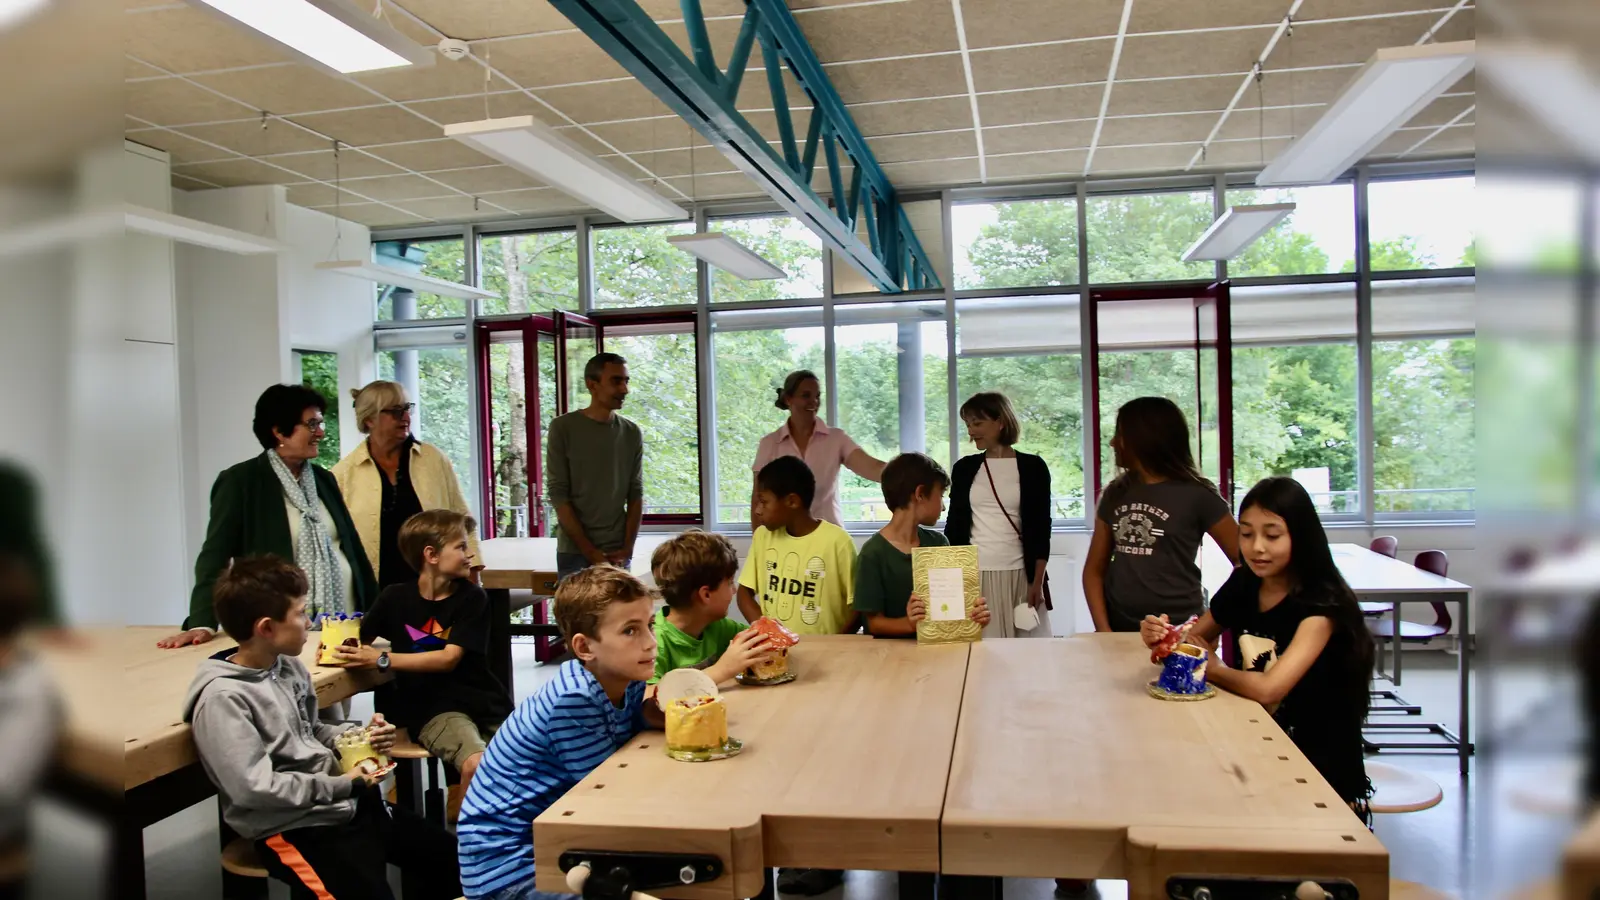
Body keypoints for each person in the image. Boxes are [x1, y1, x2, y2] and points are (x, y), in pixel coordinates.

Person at [182, 556, 460, 900]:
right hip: (294, 828)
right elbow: (254, 789)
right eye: (300, 613)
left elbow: (310, 731)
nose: (309, 621)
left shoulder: (286, 667)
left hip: (347, 806)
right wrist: (342, 784)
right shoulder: (223, 699)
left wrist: (359, 737)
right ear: (266, 628)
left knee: (461, 864)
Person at [1139, 477, 1374, 817]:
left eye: (1272, 535)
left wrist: (1214, 668)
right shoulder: (1245, 583)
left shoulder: (1322, 606)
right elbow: (1192, 643)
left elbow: (1268, 689)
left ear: (1301, 536)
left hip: (1322, 770)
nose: (1257, 547)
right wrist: (1163, 638)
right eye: (1247, 534)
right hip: (1264, 743)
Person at [457, 566, 665, 900]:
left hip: (555, 847)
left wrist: (648, 719)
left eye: (650, 626)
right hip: (510, 867)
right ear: (585, 647)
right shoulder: (575, 699)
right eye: (630, 631)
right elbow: (608, 792)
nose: (651, 643)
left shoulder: (621, 681)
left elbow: (621, 739)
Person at [159, 384, 377, 649]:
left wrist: (377, 611)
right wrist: (202, 621)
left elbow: (351, 548)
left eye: (320, 424)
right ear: (278, 430)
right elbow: (214, 556)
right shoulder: (241, 481)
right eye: (311, 424)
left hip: (343, 618)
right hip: (276, 625)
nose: (320, 432)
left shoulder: (323, 479)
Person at [336, 510, 511, 821]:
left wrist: (382, 659)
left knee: (531, 759)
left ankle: (471, 814)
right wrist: (344, 642)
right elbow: (357, 638)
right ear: (431, 554)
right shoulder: (394, 598)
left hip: (486, 702)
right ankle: (468, 848)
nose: (469, 554)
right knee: (476, 763)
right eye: (460, 546)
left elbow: (447, 659)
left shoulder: (473, 598)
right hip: (433, 709)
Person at [1083, 396, 1239, 634]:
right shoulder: (1115, 493)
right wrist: (1104, 630)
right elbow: (1094, 571)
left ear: (1143, 438)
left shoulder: (1198, 495)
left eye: (1121, 434)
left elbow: (1245, 563)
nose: (1114, 443)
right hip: (1120, 629)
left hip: (1178, 630)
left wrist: (1212, 623)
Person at [333, 380, 480, 588]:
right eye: (395, 411)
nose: (405, 417)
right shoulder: (343, 474)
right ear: (369, 420)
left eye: (406, 409)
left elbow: (463, 518)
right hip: (377, 593)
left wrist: (473, 576)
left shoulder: (433, 459)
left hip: (439, 589)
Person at [944, 392, 1053, 640]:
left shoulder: (1033, 467)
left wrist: (1036, 583)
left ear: (1001, 421)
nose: (971, 431)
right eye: (968, 424)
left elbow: (1041, 528)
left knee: (1028, 656)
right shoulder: (964, 468)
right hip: (976, 575)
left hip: (1020, 574)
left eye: (977, 423)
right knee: (985, 655)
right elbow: (954, 528)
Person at [853, 453, 991, 639]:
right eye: (940, 496)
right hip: (893, 659)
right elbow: (872, 623)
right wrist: (909, 624)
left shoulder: (939, 543)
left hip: (940, 652)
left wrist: (973, 615)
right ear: (920, 494)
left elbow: (952, 608)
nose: (942, 507)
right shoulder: (873, 553)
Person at [547, 353, 643, 583]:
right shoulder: (563, 428)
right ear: (592, 385)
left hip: (617, 553)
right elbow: (559, 493)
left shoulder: (630, 432)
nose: (624, 389)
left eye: (626, 381)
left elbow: (635, 493)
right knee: (577, 619)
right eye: (616, 381)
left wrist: (628, 547)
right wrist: (589, 551)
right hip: (575, 553)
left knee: (620, 619)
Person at [737, 456, 860, 636]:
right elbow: (744, 594)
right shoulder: (763, 537)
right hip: (777, 655)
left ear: (792, 501)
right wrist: (768, 632)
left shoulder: (837, 542)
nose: (757, 510)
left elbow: (858, 607)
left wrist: (835, 644)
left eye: (764, 502)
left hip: (826, 655)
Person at [751, 370, 886, 529]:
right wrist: (758, 543)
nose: (814, 402)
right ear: (788, 399)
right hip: (783, 541)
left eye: (817, 396)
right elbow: (758, 499)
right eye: (806, 396)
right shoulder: (770, 443)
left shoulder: (836, 439)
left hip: (828, 539)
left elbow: (872, 468)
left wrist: (909, 472)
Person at [649, 530, 775, 685]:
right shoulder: (654, 642)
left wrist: (771, 631)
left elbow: (763, 643)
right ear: (706, 595)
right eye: (729, 583)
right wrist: (721, 671)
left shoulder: (718, 627)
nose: (734, 590)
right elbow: (646, 697)